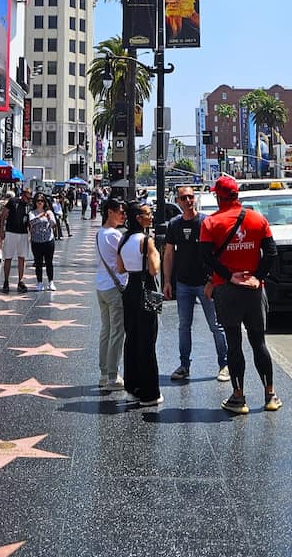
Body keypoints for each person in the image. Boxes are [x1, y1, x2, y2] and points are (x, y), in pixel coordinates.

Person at [200, 174, 281, 415]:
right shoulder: (257, 219)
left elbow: (206, 257)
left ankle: (239, 397)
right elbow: (272, 253)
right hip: (254, 291)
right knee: (259, 343)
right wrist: (258, 276)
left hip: (226, 290)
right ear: (237, 195)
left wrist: (228, 275)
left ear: (218, 196)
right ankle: (270, 394)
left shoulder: (210, 223)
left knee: (234, 344)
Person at [162, 185, 229, 383]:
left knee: (216, 325)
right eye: (184, 198)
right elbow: (168, 254)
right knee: (184, 326)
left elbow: (218, 252)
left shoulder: (206, 222)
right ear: (178, 200)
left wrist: (213, 279)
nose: (188, 201)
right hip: (183, 284)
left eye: (191, 197)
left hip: (205, 283)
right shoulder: (174, 224)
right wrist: (167, 281)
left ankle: (224, 364)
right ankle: (184, 365)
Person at [116, 200, 162, 406]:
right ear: (138, 218)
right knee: (148, 339)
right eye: (147, 214)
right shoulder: (146, 240)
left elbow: (120, 268)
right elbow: (154, 269)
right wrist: (157, 254)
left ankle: (132, 387)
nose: (151, 216)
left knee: (132, 338)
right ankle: (149, 393)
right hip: (147, 287)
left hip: (131, 289)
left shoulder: (124, 239)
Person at [94, 196, 127, 390]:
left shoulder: (100, 233)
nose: (123, 215)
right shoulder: (114, 235)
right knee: (117, 332)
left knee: (105, 330)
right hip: (115, 288)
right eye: (120, 212)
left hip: (101, 286)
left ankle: (103, 373)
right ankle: (113, 376)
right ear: (110, 212)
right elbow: (127, 257)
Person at [0, 186, 31, 292]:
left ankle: (20, 281)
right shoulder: (13, 201)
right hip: (11, 232)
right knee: (8, 257)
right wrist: (1, 230)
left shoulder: (29, 206)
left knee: (22, 257)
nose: (28, 199)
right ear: (23, 195)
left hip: (23, 233)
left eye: (30, 197)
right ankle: (6, 281)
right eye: (27, 197)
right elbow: (3, 215)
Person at [28, 192, 58, 290]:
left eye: (41, 201)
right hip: (36, 241)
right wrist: (40, 216)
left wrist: (49, 218)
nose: (40, 203)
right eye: (38, 201)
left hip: (48, 240)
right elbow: (31, 222)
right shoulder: (32, 213)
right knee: (38, 262)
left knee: (49, 262)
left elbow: (54, 224)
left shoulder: (49, 212)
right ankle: (39, 282)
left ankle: (51, 282)